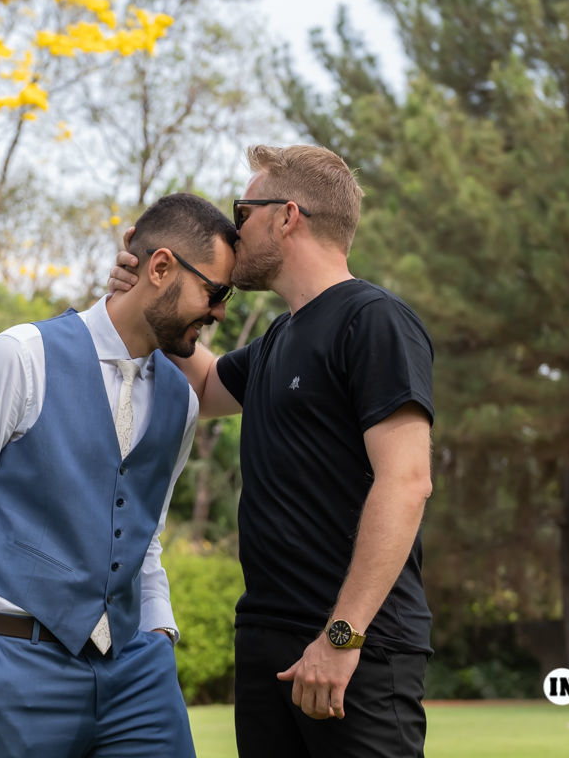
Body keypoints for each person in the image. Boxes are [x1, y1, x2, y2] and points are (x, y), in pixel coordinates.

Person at [109, 145, 434, 757]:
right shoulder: (280, 336)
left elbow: (407, 481)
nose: (235, 228)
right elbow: (205, 386)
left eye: (243, 210)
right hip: (268, 644)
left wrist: (341, 639)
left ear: (287, 217)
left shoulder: (374, 321)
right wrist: (155, 297)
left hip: (353, 653)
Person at [0, 192, 239, 758]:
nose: (220, 313)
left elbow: (143, 535)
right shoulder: (20, 357)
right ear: (160, 268)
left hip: (137, 673)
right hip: (11, 667)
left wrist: (160, 636)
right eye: (216, 292)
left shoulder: (181, 401)